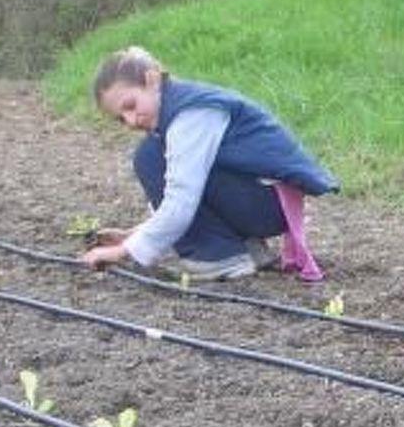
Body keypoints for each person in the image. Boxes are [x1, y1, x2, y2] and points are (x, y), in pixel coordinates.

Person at [78, 46, 335, 282]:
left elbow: (182, 200)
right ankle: (242, 249)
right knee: (152, 154)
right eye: (121, 119)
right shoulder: (177, 114)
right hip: (259, 199)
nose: (131, 121)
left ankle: (219, 257)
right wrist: (135, 235)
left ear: (152, 80)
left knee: (149, 157)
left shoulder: (191, 114)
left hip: (269, 204)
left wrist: (124, 251)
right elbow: (181, 198)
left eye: (130, 106)